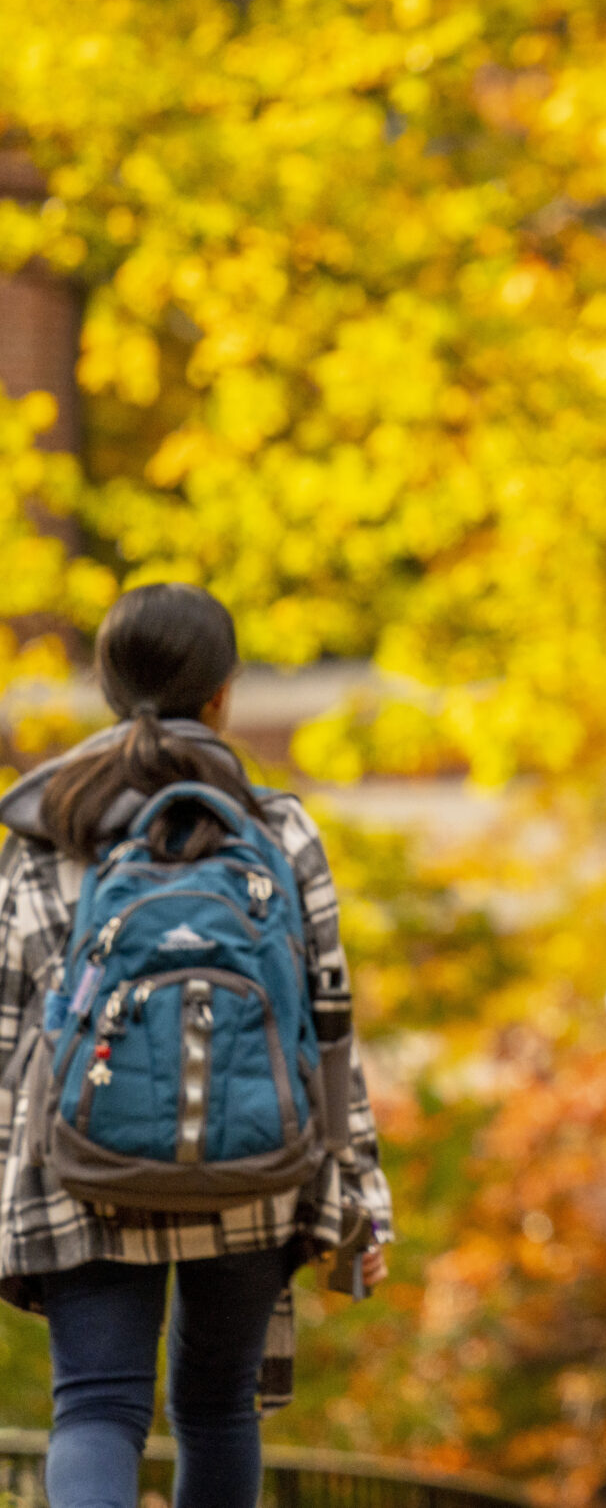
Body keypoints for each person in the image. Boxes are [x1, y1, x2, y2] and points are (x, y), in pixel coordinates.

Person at [0, 583, 394, 1508]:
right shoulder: (277, 826)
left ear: (104, 685)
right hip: (256, 1154)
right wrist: (360, 1188)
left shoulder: (42, 831)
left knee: (95, 1409)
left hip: (80, 1160)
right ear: (225, 690)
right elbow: (329, 1023)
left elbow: (10, 1024)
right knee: (219, 1408)